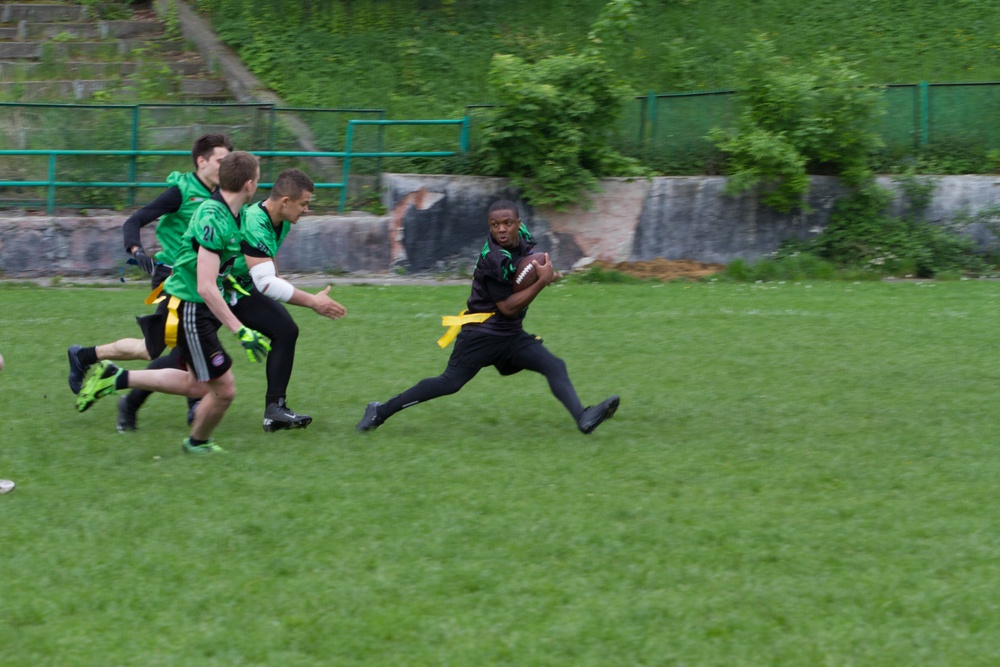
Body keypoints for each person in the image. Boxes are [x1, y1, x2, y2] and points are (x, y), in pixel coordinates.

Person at [356, 199, 620, 435]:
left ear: (519, 224)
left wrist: (546, 273)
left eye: (507, 223)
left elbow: (527, 265)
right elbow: (506, 307)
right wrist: (541, 282)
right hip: (481, 334)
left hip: (510, 335)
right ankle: (379, 411)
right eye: (495, 225)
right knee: (449, 383)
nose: (502, 229)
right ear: (490, 227)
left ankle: (584, 418)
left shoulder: (523, 236)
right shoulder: (494, 258)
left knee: (554, 365)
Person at [116, 168, 348, 433]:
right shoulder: (254, 221)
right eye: (304, 203)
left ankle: (275, 410)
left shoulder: (280, 220)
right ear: (285, 201)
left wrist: (278, 277)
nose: (307, 210)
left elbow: (267, 263)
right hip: (213, 292)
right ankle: (130, 401)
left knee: (285, 330)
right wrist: (312, 301)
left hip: (240, 290)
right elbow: (266, 283)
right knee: (182, 359)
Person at [76, 151, 268, 454]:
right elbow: (205, 286)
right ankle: (196, 442)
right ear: (249, 184)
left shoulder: (236, 213)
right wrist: (240, 330)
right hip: (191, 308)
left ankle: (117, 378)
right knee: (224, 389)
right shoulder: (212, 218)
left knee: (198, 385)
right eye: (258, 179)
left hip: (192, 305)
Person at [66, 133, 233, 419]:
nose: (226, 166)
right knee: (168, 346)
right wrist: (136, 250)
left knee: (155, 349)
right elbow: (135, 220)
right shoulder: (182, 190)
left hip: (199, 281)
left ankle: (86, 356)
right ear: (201, 161)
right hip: (173, 279)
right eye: (221, 160)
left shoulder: (222, 195)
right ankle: (190, 402)